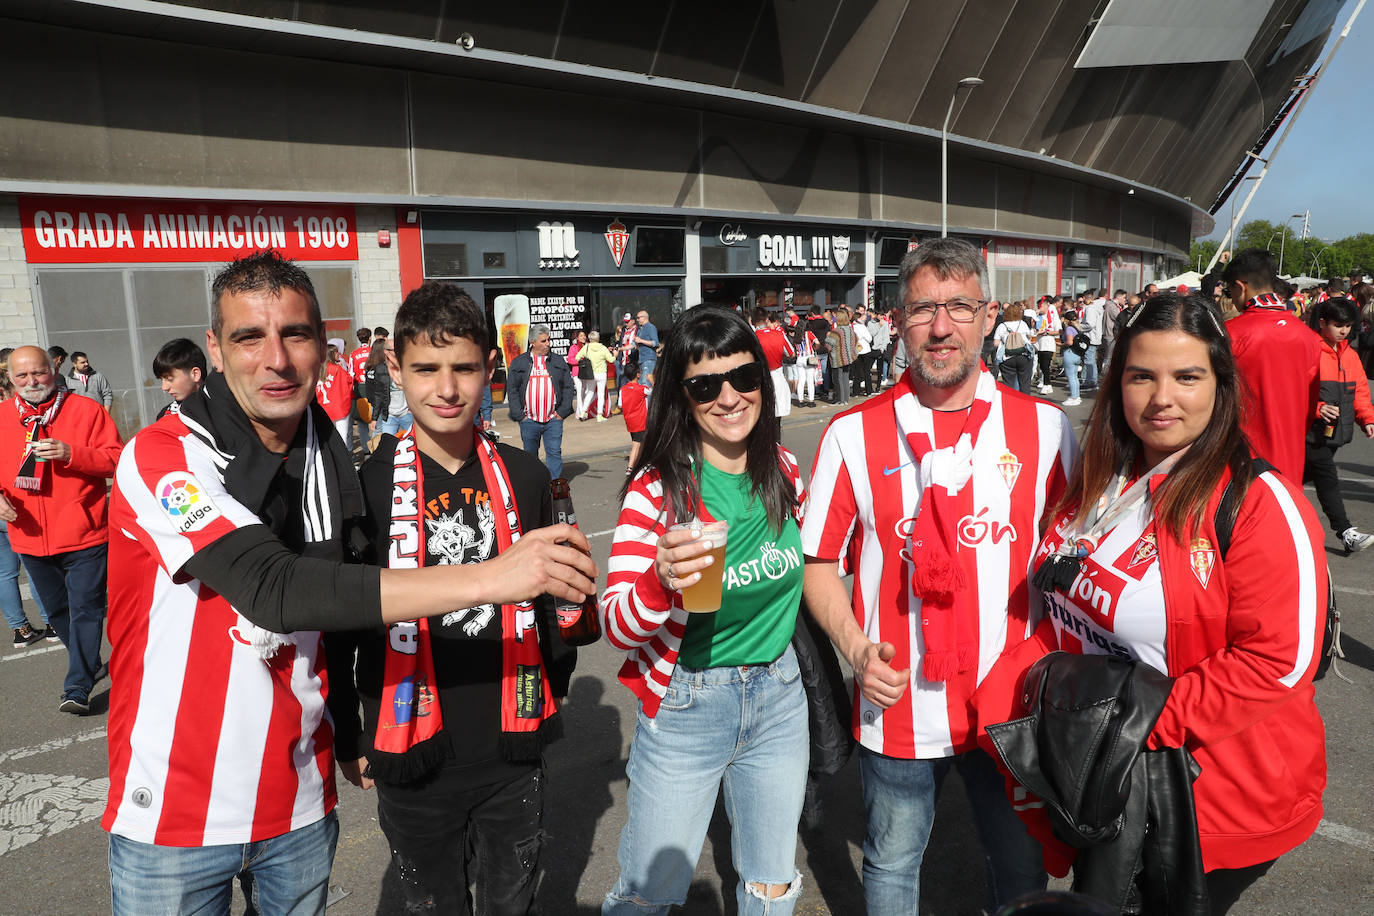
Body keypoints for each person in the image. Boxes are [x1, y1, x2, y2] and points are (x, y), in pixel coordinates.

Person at [102, 252, 596, 915]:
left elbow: (340, 635)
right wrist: (490, 578)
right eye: (250, 336)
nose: (276, 358)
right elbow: (278, 591)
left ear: (323, 349)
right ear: (214, 351)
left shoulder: (325, 461)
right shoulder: (166, 455)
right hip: (179, 812)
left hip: (301, 801)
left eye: (296, 335)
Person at [1025, 291, 1326, 913]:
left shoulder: (1263, 502)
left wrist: (1124, 727)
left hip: (1205, 796)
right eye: (1142, 376)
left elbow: (1277, 662)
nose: (1163, 397)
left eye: (1187, 376)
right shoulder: (1102, 477)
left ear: (1221, 384)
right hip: (1105, 778)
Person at [802, 237, 1074, 915]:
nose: (942, 326)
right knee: (892, 866)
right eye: (924, 309)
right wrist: (856, 649)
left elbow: (1076, 563)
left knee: (1020, 878)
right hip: (897, 704)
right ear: (899, 321)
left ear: (988, 316)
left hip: (1013, 705)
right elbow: (818, 563)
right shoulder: (851, 434)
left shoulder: (1046, 430)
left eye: (959, 306)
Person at [326, 282, 574, 916]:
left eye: (463, 367)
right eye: (425, 369)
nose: (446, 388)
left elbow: (551, 602)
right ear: (394, 371)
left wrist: (560, 672)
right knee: (431, 904)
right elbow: (346, 622)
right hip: (410, 744)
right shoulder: (364, 487)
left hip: (510, 745)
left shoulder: (525, 475)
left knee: (509, 902)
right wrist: (350, 732)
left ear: (490, 368)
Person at [601, 304, 808, 915]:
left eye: (744, 378)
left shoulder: (786, 470)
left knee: (772, 883)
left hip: (778, 695)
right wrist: (661, 582)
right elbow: (616, 625)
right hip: (689, 704)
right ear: (681, 395)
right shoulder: (658, 489)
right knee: (647, 895)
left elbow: (823, 571)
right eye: (704, 385)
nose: (729, 397)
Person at [0, 346, 121, 712]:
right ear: (10, 379)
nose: (31, 382)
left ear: (53, 369)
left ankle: (77, 686)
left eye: (37, 373)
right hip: (29, 535)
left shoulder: (87, 410)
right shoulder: (3, 417)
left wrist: (72, 454)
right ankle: (87, 666)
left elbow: (117, 459)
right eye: (22, 376)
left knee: (85, 608)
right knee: (56, 612)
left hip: (84, 533)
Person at [1224, 248, 1323, 483]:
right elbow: (1311, 406)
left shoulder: (1230, 334)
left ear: (1240, 286)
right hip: (1289, 459)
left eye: (1231, 291)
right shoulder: (1308, 336)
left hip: (1239, 460)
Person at [1303, 297, 1374, 552]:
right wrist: (1318, 408)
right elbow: (1294, 391)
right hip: (1310, 431)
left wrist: (1366, 418)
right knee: (1327, 476)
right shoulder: (1309, 350)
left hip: (1334, 432)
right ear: (1322, 322)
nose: (1344, 330)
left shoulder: (1351, 355)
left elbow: (1360, 391)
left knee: (1300, 477)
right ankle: (1345, 531)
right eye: (1338, 325)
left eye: (1348, 325)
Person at [0, 348, 50, 648]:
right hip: (14, 502)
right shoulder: (16, 416)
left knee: (5, 573)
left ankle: (19, 629)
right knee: (32, 564)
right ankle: (51, 620)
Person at [506, 324, 574, 479]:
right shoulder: (519, 363)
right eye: (543, 341)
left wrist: (562, 412)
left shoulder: (557, 361)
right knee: (530, 456)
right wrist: (519, 415)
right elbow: (512, 390)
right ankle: (535, 485)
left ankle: (554, 486)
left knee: (554, 453)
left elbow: (568, 387)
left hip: (553, 419)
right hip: (529, 420)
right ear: (532, 342)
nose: (548, 344)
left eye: (548, 340)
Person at [752, 307, 796, 416]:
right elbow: (791, 353)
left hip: (760, 380)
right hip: (778, 377)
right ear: (767, 319)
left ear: (752, 322)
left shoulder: (752, 338)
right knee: (778, 418)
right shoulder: (779, 334)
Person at [152, 337, 206, 420]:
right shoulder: (165, 415)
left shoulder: (222, 407)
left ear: (195, 374)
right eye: (161, 379)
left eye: (169, 379)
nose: (164, 387)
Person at [573, 329, 615, 422]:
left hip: (591, 373)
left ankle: (583, 412)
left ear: (590, 338)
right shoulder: (603, 348)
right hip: (601, 374)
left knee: (590, 393)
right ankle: (599, 415)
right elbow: (611, 360)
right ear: (598, 338)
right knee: (601, 394)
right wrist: (615, 355)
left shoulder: (586, 347)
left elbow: (577, 357)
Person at [315, 343, 354, 443]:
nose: (339, 354)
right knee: (342, 437)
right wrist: (343, 369)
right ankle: (342, 458)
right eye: (336, 351)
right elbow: (349, 382)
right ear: (331, 354)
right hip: (339, 408)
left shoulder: (318, 370)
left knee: (327, 439)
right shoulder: (337, 369)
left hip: (323, 408)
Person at [994, 302, 1036, 392]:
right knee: (1025, 383)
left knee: (1008, 385)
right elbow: (1029, 336)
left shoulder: (1002, 326)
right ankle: (1025, 403)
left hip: (1007, 357)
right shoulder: (1023, 324)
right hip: (1024, 355)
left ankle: (1011, 403)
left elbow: (996, 343)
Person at [346, 326, 374, 455]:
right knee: (375, 418)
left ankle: (366, 448)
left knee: (362, 421)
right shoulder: (374, 352)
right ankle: (376, 446)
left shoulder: (354, 354)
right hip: (373, 386)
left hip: (359, 388)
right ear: (369, 338)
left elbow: (350, 374)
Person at [618, 360, 649, 474]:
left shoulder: (622, 390)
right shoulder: (642, 389)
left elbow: (620, 405)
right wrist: (652, 380)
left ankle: (640, 464)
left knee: (640, 443)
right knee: (637, 444)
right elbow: (655, 392)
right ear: (638, 375)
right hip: (641, 420)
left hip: (629, 421)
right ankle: (630, 467)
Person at [826, 307, 856, 405]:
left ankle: (840, 399)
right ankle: (846, 399)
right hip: (848, 357)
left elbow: (828, 345)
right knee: (845, 379)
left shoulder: (836, 331)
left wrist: (827, 337)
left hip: (838, 358)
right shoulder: (850, 329)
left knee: (837, 379)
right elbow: (856, 340)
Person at [1034, 297, 1060, 395]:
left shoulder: (1052, 315)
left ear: (1046, 306)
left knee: (1045, 365)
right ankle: (1048, 385)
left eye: (1040, 306)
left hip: (1048, 344)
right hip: (1040, 344)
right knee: (1041, 365)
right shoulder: (1039, 317)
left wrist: (1047, 332)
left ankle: (1046, 384)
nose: (1039, 308)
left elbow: (1058, 331)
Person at [1059, 309, 1085, 406]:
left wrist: (1061, 344)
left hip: (1070, 353)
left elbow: (1070, 342)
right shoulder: (1077, 328)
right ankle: (1076, 396)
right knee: (1074, 377)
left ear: (1067, 320)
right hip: (1077, 354)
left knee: (1071, 377)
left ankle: (1074, 397)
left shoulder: (1069, 328)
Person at [1081, 289, 1105, 388]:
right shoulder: (1096, 308)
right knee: (1091, 360)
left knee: (1089, 360)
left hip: (1090, 337)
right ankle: (1092, 380)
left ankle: (1090, 381)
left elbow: (1090, 324)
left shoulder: (1090, 309)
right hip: (1095, 336)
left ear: (1084, 299)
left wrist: (1079, 326)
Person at [634, 310, 660, 381]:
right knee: (642, 383)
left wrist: (641, 340)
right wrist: (621, 348)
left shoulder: (651, 327)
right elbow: (634, 343)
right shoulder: (640, 329)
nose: (637, 319)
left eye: (638, 318)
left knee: (645, 383)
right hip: (641, 359)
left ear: (644, 317)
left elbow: (655, 343)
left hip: (648, 359)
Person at [568, 329, 589, 419]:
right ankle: (581, 413)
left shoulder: (588, 346)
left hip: (586, 372)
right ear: (577, 337)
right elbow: (570, 359)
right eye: (581, 336)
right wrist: (579, 361)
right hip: (577, 372)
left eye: (584, 335)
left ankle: (578, 411)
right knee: (580, 392)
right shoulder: (574, 347)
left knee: (584, 391)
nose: (583, 337)